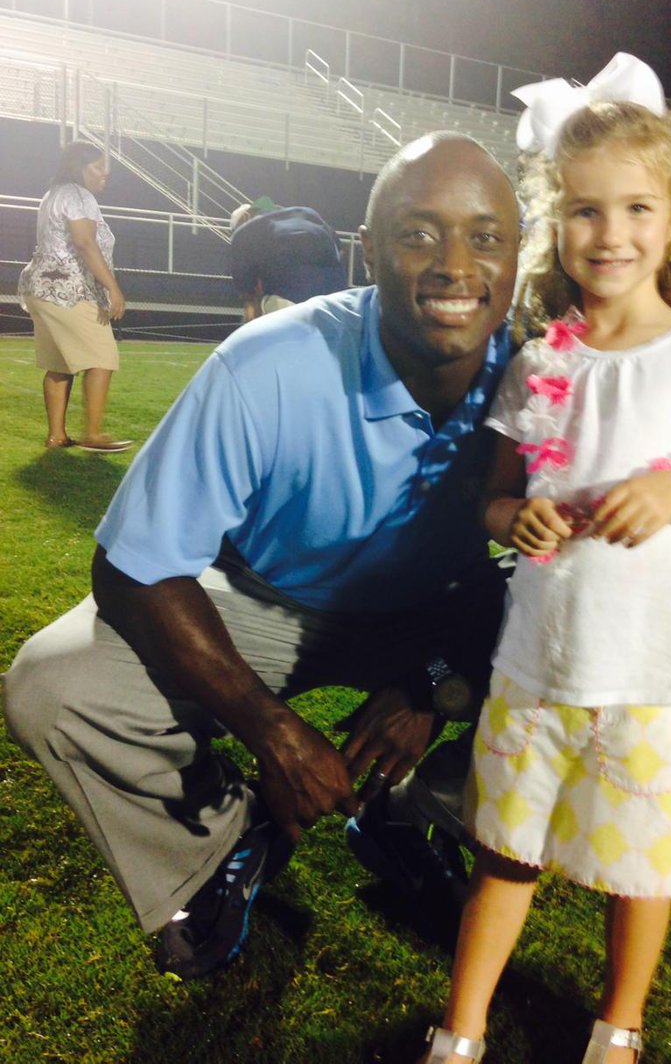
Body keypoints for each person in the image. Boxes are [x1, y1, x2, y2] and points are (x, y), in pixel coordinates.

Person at [3, 132, 520, 980]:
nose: (453, 265)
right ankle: (222, 840)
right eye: (419, 233)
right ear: (368, 250)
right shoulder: (270, 361)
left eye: (485, 236)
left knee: (615, 672)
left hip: (441, 609)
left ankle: (409, 810)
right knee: (53, 685)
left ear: (518, 255)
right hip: (265, 600)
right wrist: (270, 728)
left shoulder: (550, 381)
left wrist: (435, 678)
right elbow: (133, 568)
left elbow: (574, 578)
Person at [416, 56, 671, 1064]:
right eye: (583, 211)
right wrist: (509, 520)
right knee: (506, 856)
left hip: (657, 680)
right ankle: (463, 1030)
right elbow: (493, 492)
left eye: (634, 208)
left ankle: (618, 1026)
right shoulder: (542, 361)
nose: (609, 234)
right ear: (554, 223)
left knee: (639, 871)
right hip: (539, 669)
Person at [17, 139, 133, 452]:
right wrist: (113, 287)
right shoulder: (79, 196)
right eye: (98, 168)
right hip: (69, 290)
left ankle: (57, 436)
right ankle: (93, 434)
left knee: (59, 364)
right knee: (103, 356)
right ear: (78, 168)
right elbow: (84, 243)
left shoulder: (52, 195)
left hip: (41, 288)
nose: (104, 175)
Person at [229, 196, 346, 321]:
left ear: (246, 217)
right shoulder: (307, 212)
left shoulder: (242, 233)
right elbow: (341, 250)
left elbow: (249, 300)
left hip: (287, 301)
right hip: (333, 296)